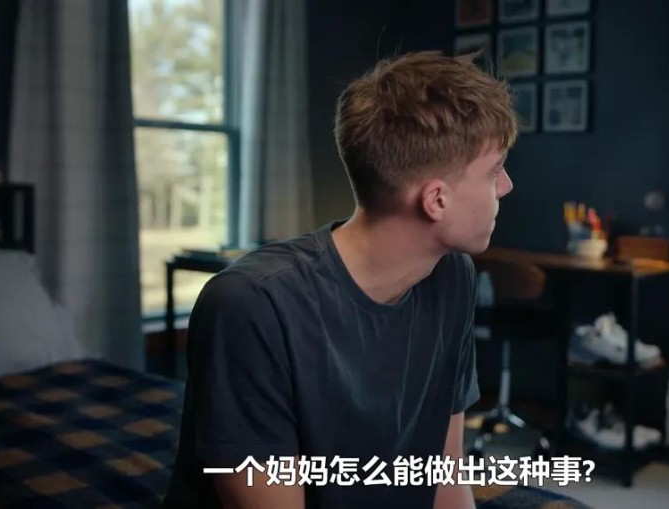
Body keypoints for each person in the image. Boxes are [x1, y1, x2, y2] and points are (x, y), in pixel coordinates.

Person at [163, 50, 517, 509]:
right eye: (494, 171)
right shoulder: (251, 304)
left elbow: (443, 472)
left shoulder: (451, 275)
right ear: (436, 200)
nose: (506, 186)